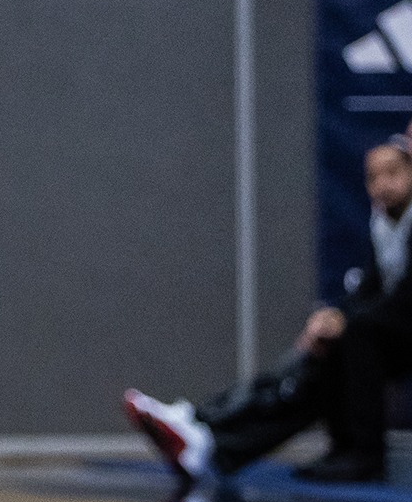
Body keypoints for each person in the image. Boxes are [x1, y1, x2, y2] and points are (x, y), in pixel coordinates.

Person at [126, 138, 412, 484]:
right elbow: (370, 289)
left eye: (393, 173)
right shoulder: (381, 224)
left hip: (398, 328)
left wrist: (346, 320)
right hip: (393, 331)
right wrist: (333, 318)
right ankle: (210, 438)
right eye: (373, 177)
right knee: (315, 355)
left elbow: (404, 298)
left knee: (356, 333)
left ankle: (365, 456)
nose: (382, 185)